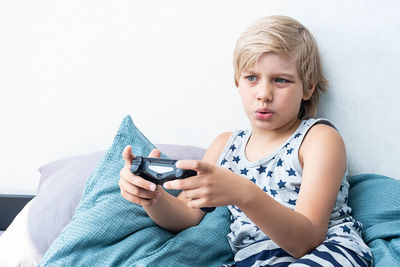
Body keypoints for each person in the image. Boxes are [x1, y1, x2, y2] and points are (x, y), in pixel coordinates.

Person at [119, 15, 373, 266]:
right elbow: (186, 214)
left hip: (326, 253)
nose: (264, 94)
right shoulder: (224, 146)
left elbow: (306, 241)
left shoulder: (318, 139)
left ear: (307, 88)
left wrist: (243, 193)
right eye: (252, 78)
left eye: (281, 80)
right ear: (237, 83)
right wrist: (153, 197)